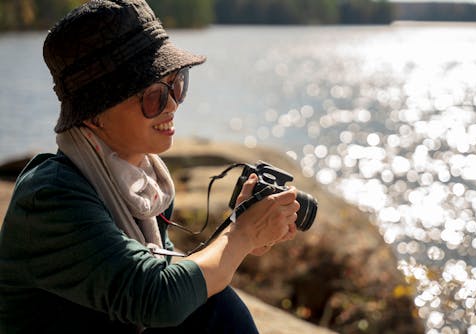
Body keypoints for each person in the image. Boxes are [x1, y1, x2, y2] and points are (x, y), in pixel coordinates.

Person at [0, 0, 300, 333]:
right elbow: (158, 297)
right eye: (153, 95)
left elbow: (168, 278)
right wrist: (240, 235)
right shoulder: (50, 198)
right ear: (93, 113)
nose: (172, 105)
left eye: (177, 84)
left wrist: (241, 228)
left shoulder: (143, 185)